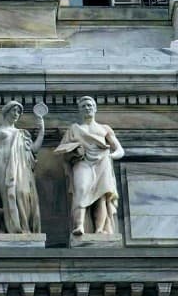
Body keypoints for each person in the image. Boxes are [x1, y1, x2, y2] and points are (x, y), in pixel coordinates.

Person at [53, 96, 125, 236]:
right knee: (81, 189)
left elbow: (119, 149)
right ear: (80, 110)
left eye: (90, 105)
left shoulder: (104, 129)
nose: (87, 108)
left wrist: (111, 156)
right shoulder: (74, 129)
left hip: (103, 162)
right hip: (82, 162)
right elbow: (62, 150)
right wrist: (74, 150)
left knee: (101, 196)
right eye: (84, 106)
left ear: (95, 108)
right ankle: (79, 225)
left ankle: (99, 229)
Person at [0, 101, 40, 235]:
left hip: (21, 166)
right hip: (1, 164)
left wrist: (41, 131)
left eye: (19, 112)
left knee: (22, 193)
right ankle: (13, 229)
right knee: (8, 196)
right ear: (6, 112)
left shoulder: (22, 133)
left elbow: (33, 150)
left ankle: (24, 227)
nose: (17, 114)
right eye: (14, 110)